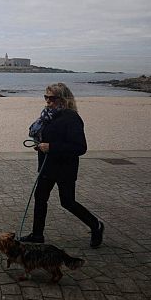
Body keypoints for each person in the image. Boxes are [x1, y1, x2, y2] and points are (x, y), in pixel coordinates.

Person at [20, 82, 105, 248]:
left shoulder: (72, 118)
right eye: (46, 97)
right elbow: (45, 137)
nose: (48, 101)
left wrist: (51, 147)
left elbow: (80, 147)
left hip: (64, 168)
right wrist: (40, 145)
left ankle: (96, 225)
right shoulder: (47, 115)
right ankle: (37, 235)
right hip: (46, 166)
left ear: (63, 99)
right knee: (40, 198)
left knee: (67, 202)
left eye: (52, 98)